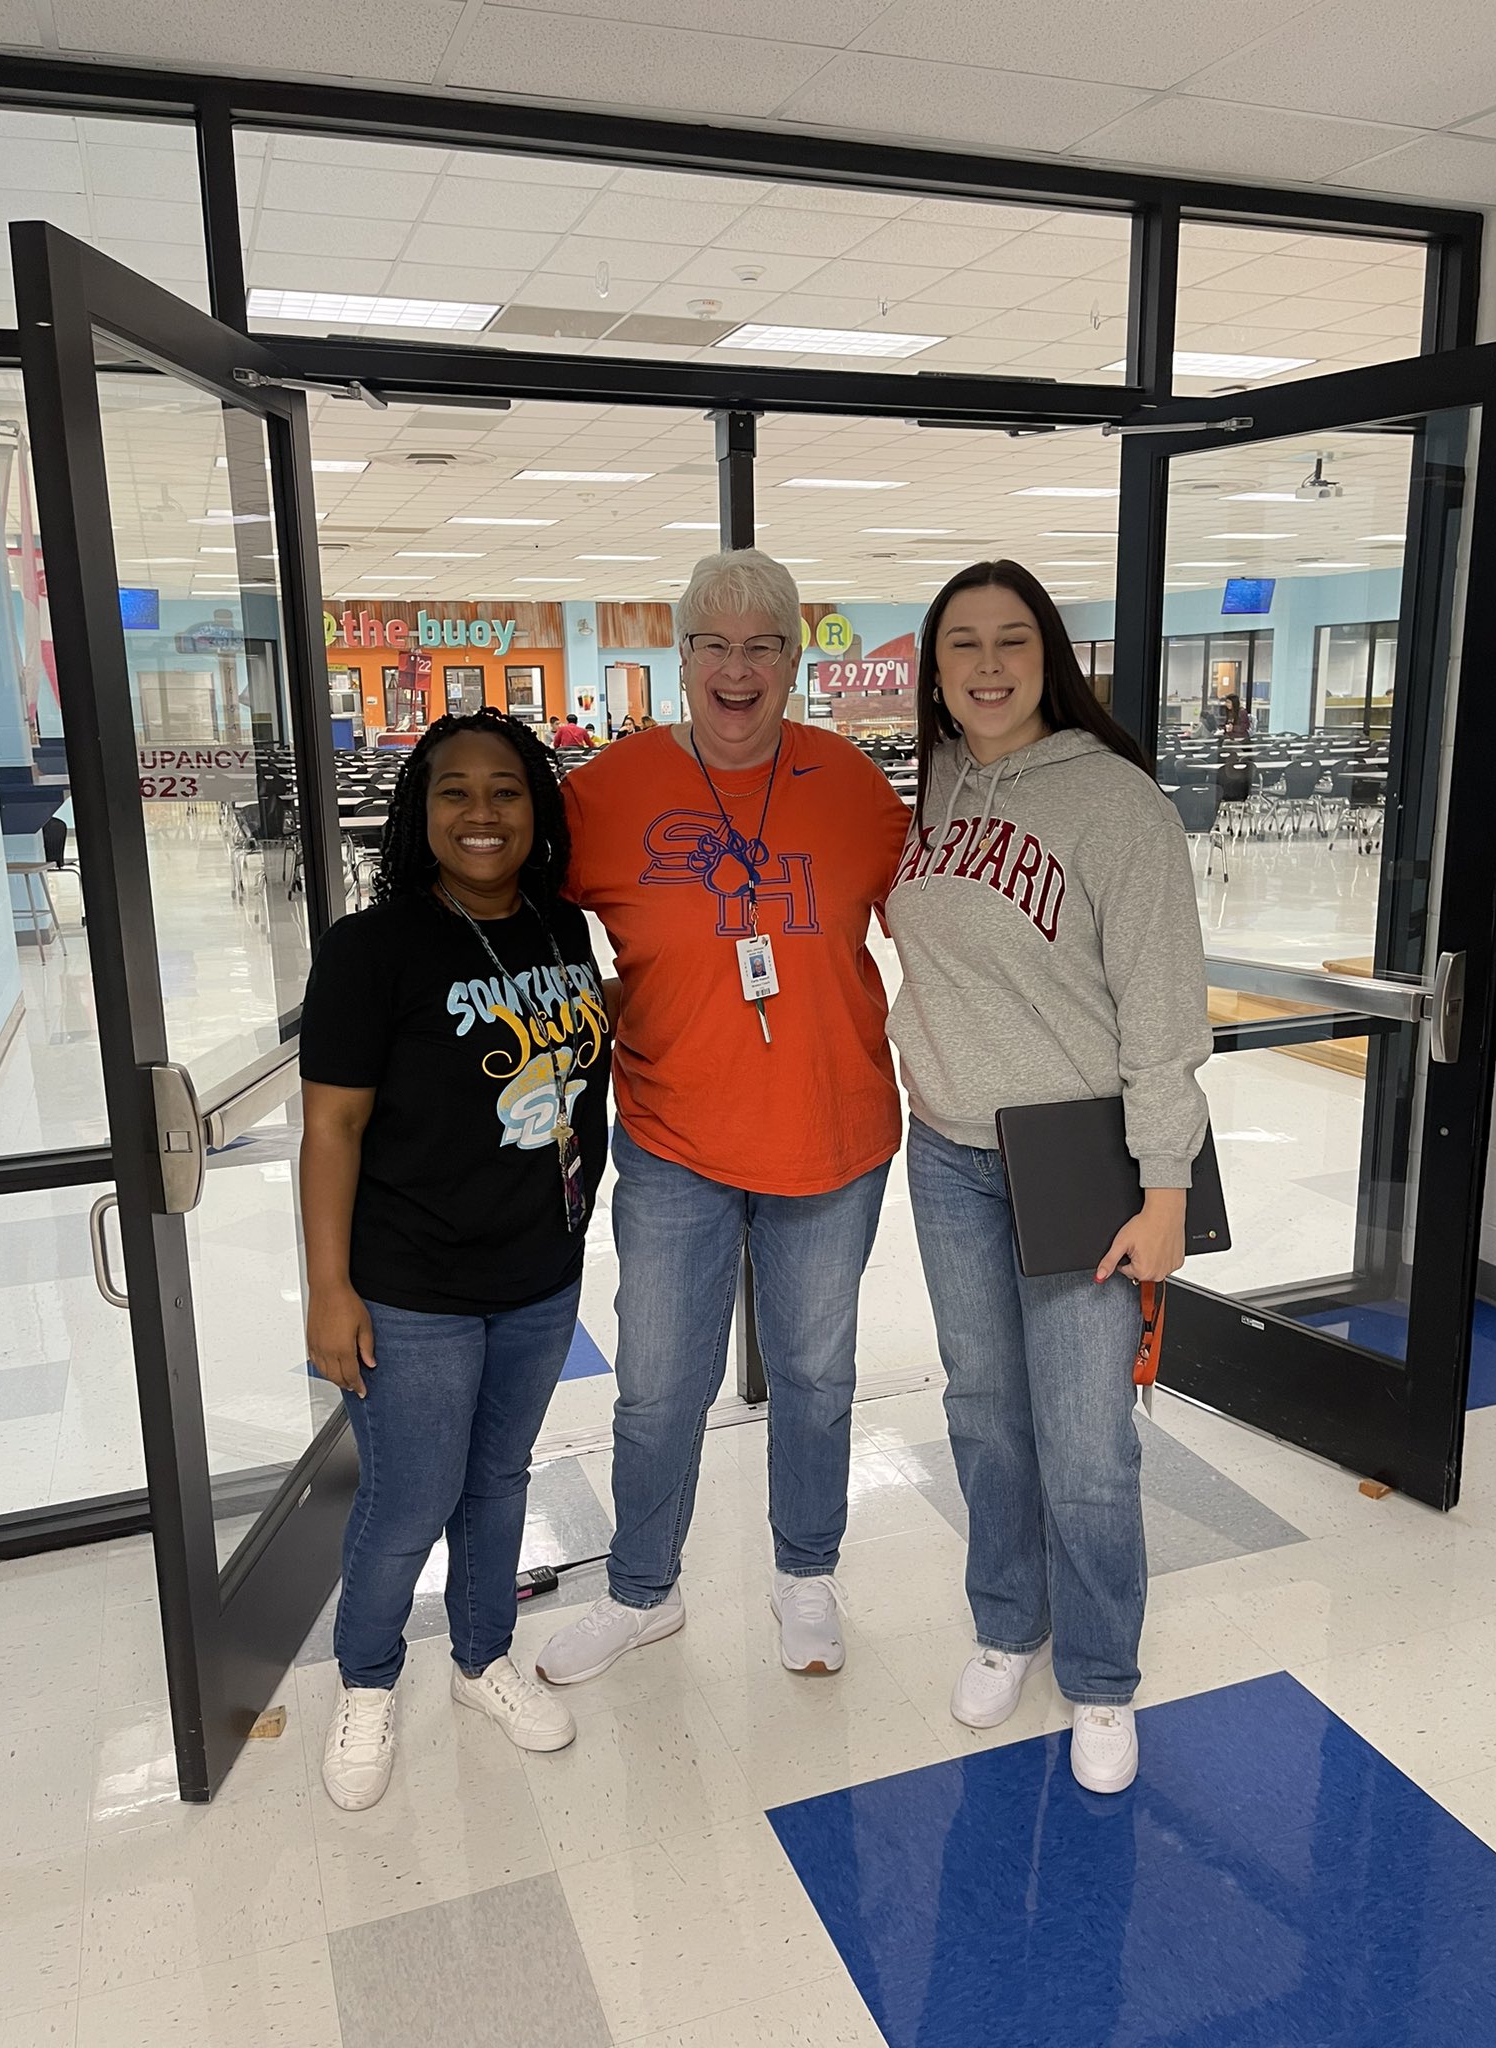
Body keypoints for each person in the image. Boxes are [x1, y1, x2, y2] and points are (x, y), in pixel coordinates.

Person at [535, 549, 910, 1686]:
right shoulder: (605, 791)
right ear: (681, 657)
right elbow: (518, 931)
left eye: (763, 645)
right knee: (655, 1384)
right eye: (714, 644)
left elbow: (954, 934)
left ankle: (806, 1575)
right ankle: (644, 1588)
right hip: (673, 1141)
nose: (737, 669)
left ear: (796, 661)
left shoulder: (855, 788)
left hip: (832, 1137)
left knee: (815, 1375)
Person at [885, 560, 1210, 1795]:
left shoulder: (1119, 805)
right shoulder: (940, 786)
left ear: (1049, 656)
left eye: (1009, 638)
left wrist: (1165, 1185)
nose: (984, 662)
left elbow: (1164, 1013)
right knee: (983, 1412)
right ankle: (1005, 1621)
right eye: (959, 641)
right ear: (933, 666)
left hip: (1082, 1164)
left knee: (1085, 1442)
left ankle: (1105, 1675)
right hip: (953, 1153)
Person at [299, 707, 612, 1811]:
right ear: (419, 812)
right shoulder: (369, 948)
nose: (482, 812)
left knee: (498, 1480)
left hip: (538, 1273)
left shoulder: (562, 929)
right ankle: (369, 1679)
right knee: (410, 1495)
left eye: (506, 790)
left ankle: (482, 1659)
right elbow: (330, 1128)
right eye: (454, 791)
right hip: (411, 1281)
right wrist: (329, 1290)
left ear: (539, 808)